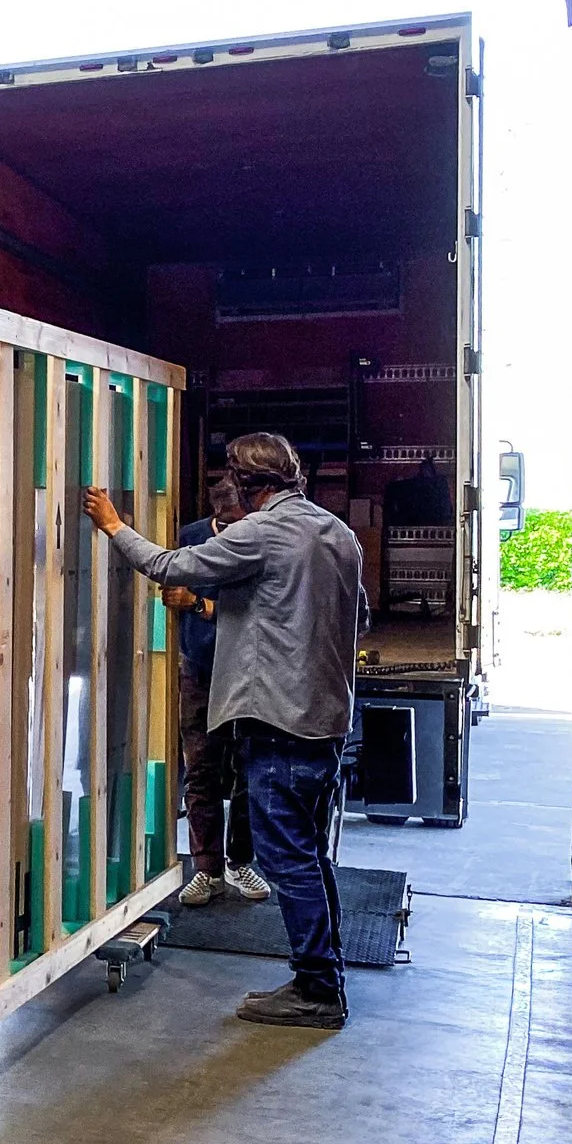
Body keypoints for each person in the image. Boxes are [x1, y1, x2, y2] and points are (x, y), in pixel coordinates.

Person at [84, 431, 364, 1031]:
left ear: (248, 484)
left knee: (289, 863)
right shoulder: (337, 532)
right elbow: (345, 613)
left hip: (279, 725)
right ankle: (323, 978)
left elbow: (167, 565)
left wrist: (113, 524)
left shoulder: (259, 533)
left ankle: (317, 991)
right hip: (325, 722)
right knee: (311, 858)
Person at [169, 471, 270, 908]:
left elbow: (257, 611)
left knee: (250, 773)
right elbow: (170, 590)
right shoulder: (191, 537)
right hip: (200, 672)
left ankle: (240, 861)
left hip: (248, 675)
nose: (231, 519)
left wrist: (198, 604)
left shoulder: (260, 540)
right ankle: (206, 868)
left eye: (238, 510)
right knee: (202, 772)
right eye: (223, 511)